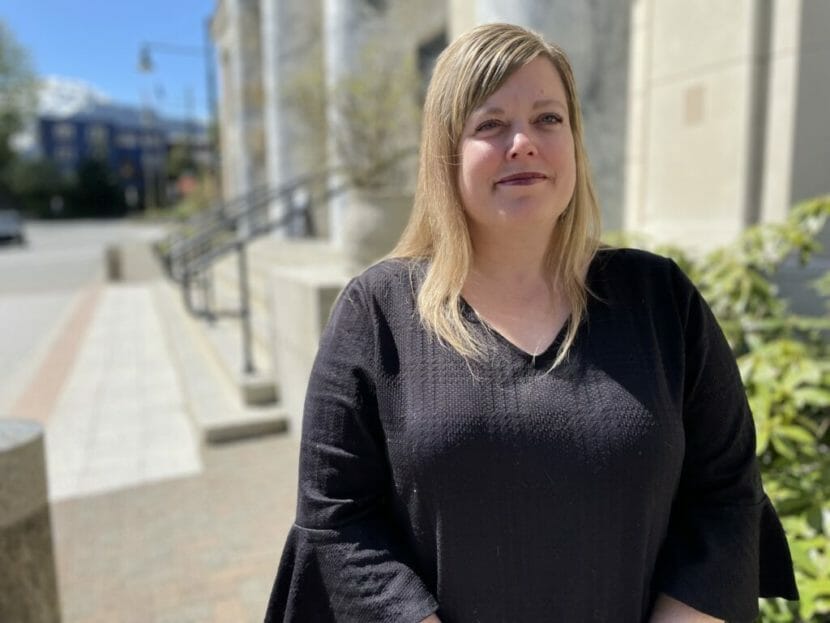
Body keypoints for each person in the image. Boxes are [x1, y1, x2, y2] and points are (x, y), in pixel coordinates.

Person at [265, 23, 798, 622]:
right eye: (490, 124)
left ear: (574, 141)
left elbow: (726, 491)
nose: (523, 142)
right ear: (446, 153)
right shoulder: (377, 312)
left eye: (549, 119)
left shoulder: (661, 299)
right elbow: (336, 517)